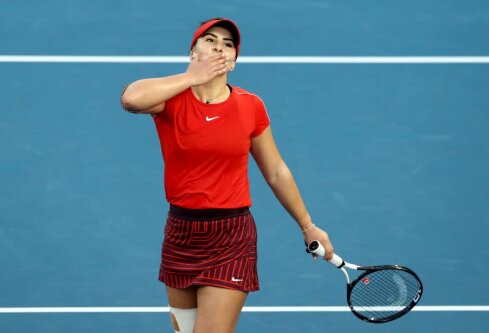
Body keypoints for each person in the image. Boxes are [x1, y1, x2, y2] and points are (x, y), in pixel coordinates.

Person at [120, 18, 334, 333]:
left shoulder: (250, 106)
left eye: (228, 43)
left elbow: (275, 171)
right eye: (209, 40)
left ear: (233, 61)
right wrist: (191, 77)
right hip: (180, 234)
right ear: (192, 52)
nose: (220, 45)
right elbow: (130, 99)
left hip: (230, 237)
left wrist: (308, 226)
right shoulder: (170, 101)